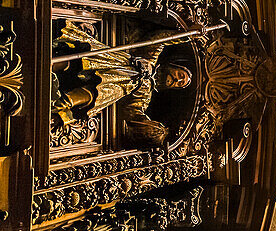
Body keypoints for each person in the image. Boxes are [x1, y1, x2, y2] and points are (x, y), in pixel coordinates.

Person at [51, 21, 192, 147]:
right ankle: (55, 63)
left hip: (114, 86)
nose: (177, 80)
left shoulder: (144, 96)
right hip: (112, 62)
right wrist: (187, 35)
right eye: (180, 75)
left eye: (179, 84)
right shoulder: (150, 58)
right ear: (172, 66)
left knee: (103, 93)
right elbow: (159, 39)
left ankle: (63, 103)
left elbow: (133, 113)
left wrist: (151, 127)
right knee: (88, 58)